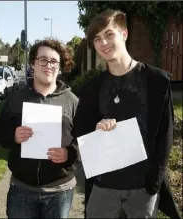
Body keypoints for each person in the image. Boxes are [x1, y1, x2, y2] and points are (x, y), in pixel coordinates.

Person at [72, 9, 180, 219]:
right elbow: (79, 131)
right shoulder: (92, 88)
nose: (103, 42)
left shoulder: (156, 81)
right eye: (97, 38)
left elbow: (166, 134)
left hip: (142, 190)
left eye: (109, 34)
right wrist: (96, 129)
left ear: (124, 33)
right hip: (103, 188)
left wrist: (153, 185)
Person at [0, 39, 78, 218]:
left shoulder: (72, 101)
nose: (48, 65)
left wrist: (69, 153)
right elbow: (0, 134)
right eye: (43, 60)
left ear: (60, 66)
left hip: (60, 191)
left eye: (54, 61)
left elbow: (84, 140)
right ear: (33, 63)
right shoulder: (16, 99)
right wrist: (13, 136)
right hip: (22, 189)